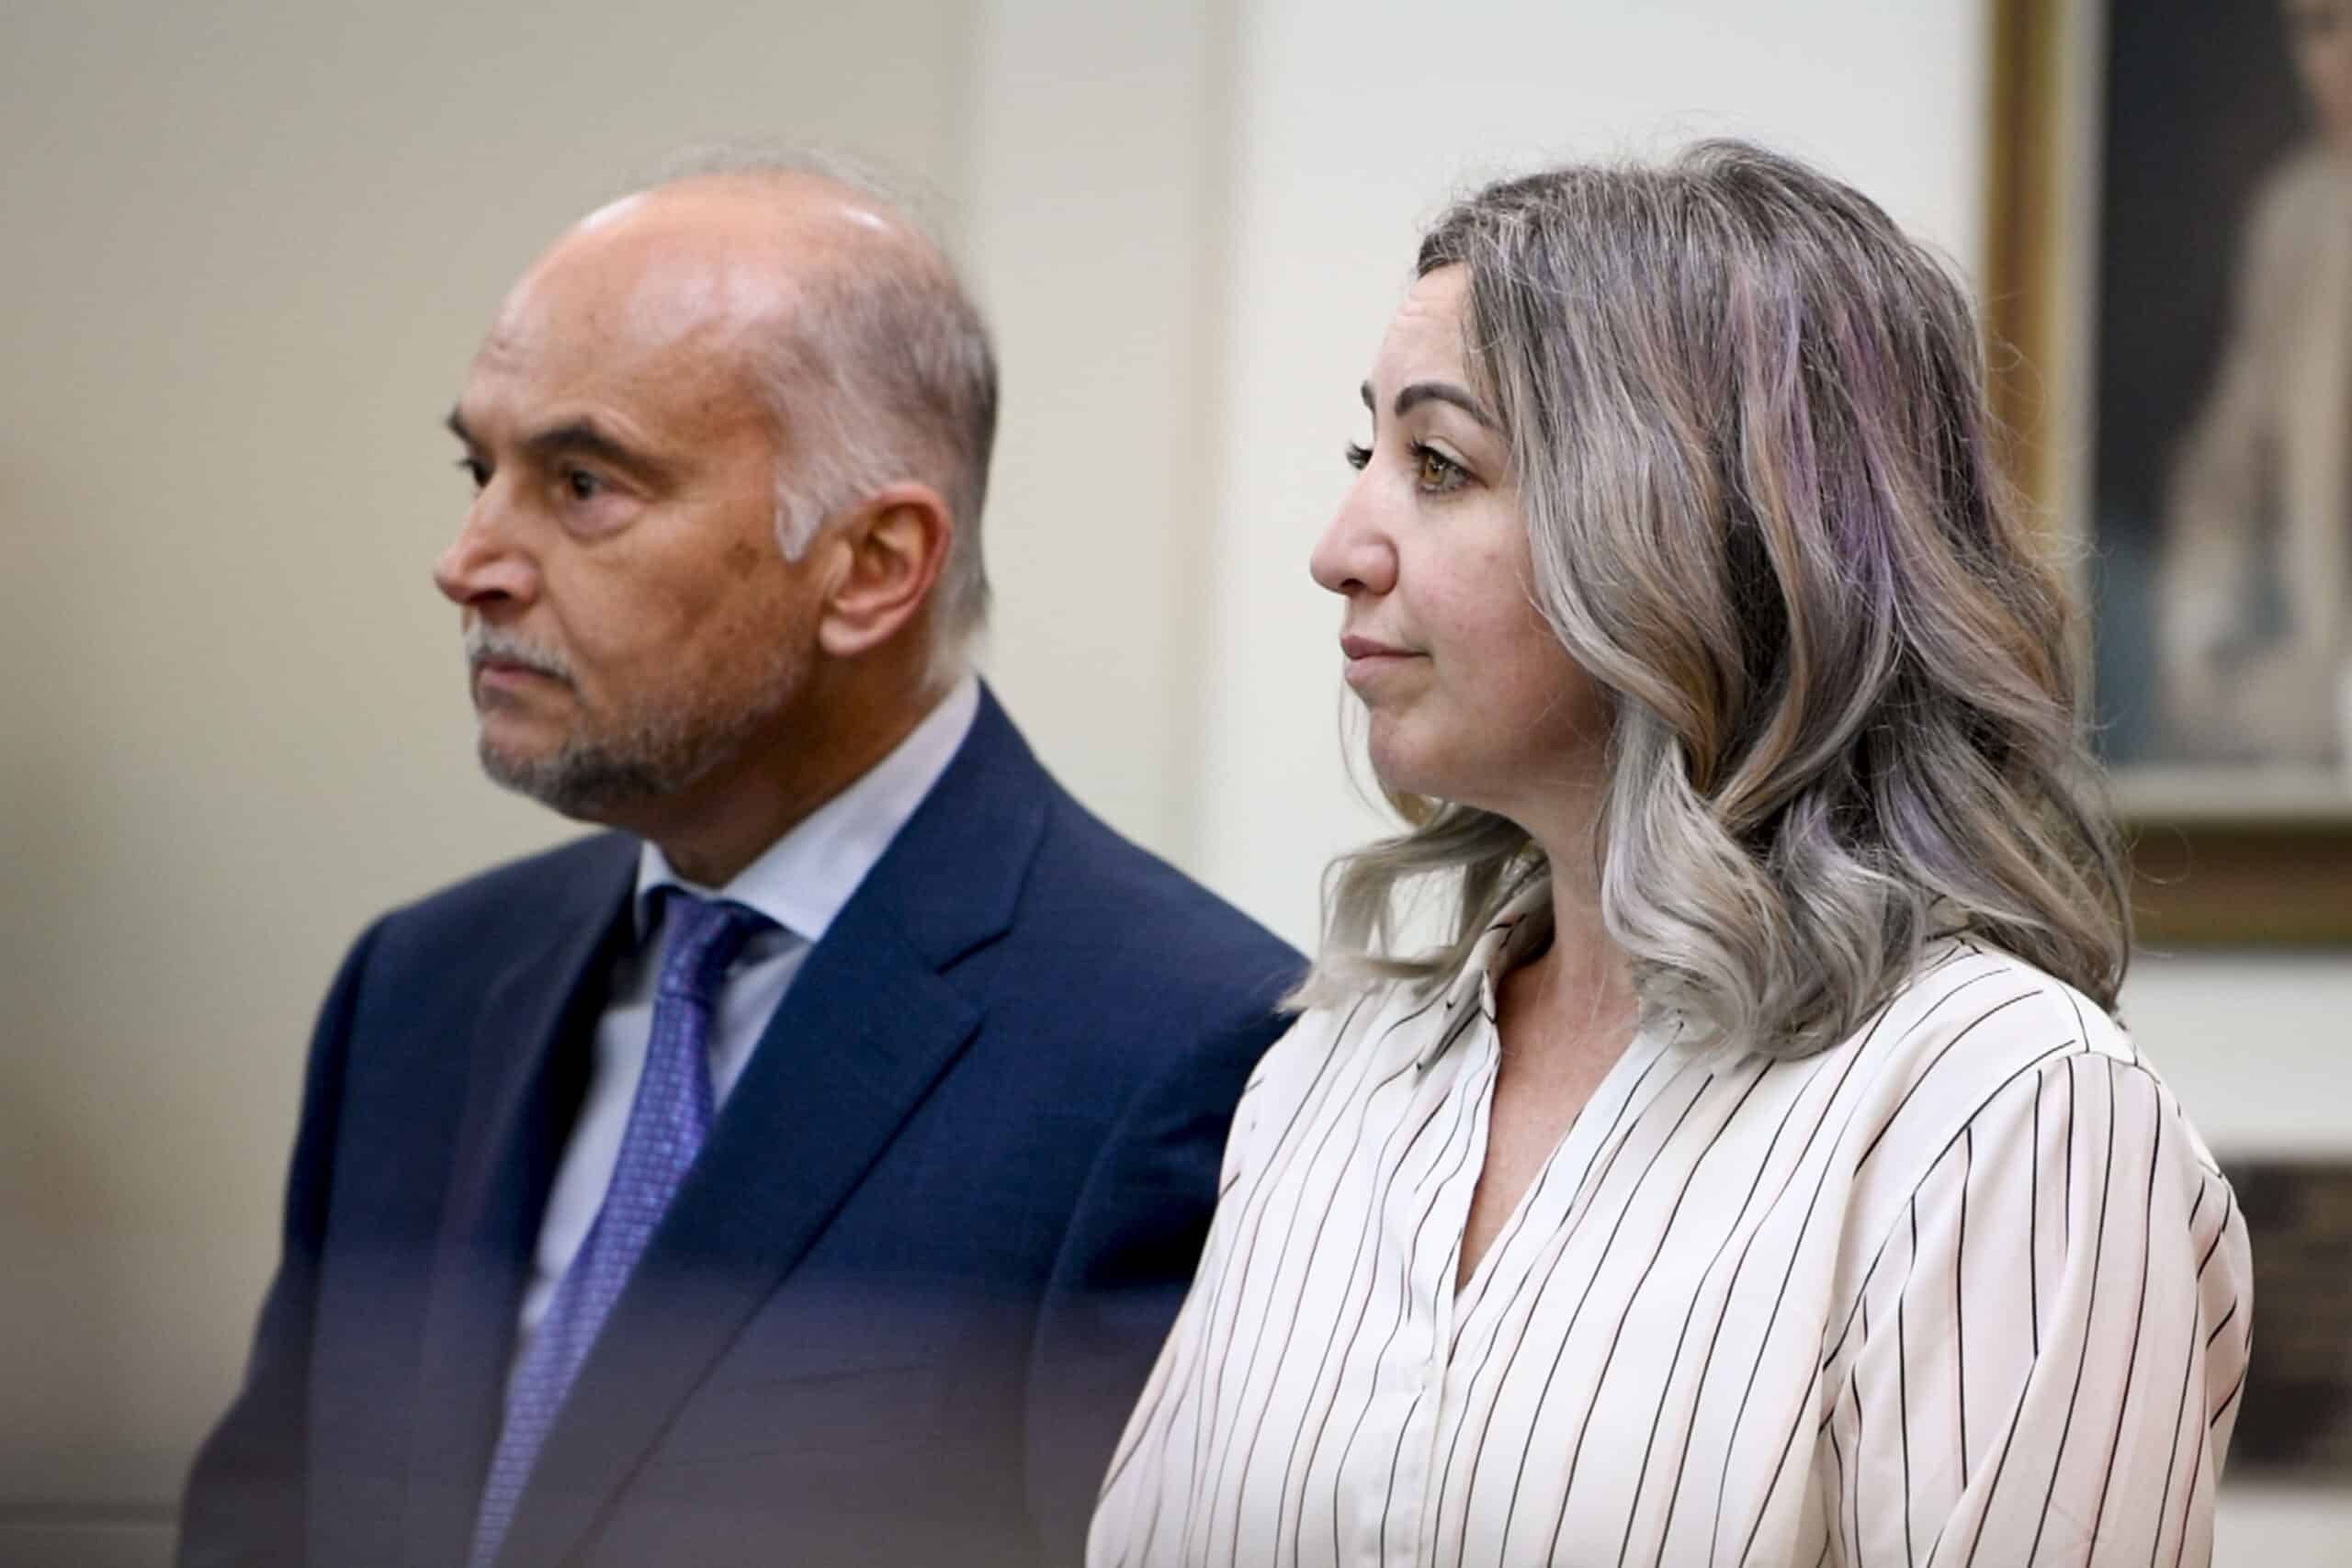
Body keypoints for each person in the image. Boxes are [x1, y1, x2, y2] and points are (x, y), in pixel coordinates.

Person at [1090, 142, 2253, 1568]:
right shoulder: (1330, 1079)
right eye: (1366, 456)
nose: (1343, 546)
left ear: (1707, 534)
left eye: (1440, 465)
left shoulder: (2003, 1108)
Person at [176, 152, 1299, 1568]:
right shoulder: (418, 987)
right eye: (481, 468)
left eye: (582, 483)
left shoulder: (1186, 1050)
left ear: (873, 563)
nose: (469, 559)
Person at [2158, 0, 2352, 765]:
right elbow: (2227, 469)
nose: (2339, 58)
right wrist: (2207, 647)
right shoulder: (2299, 220)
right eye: (2320, 27)